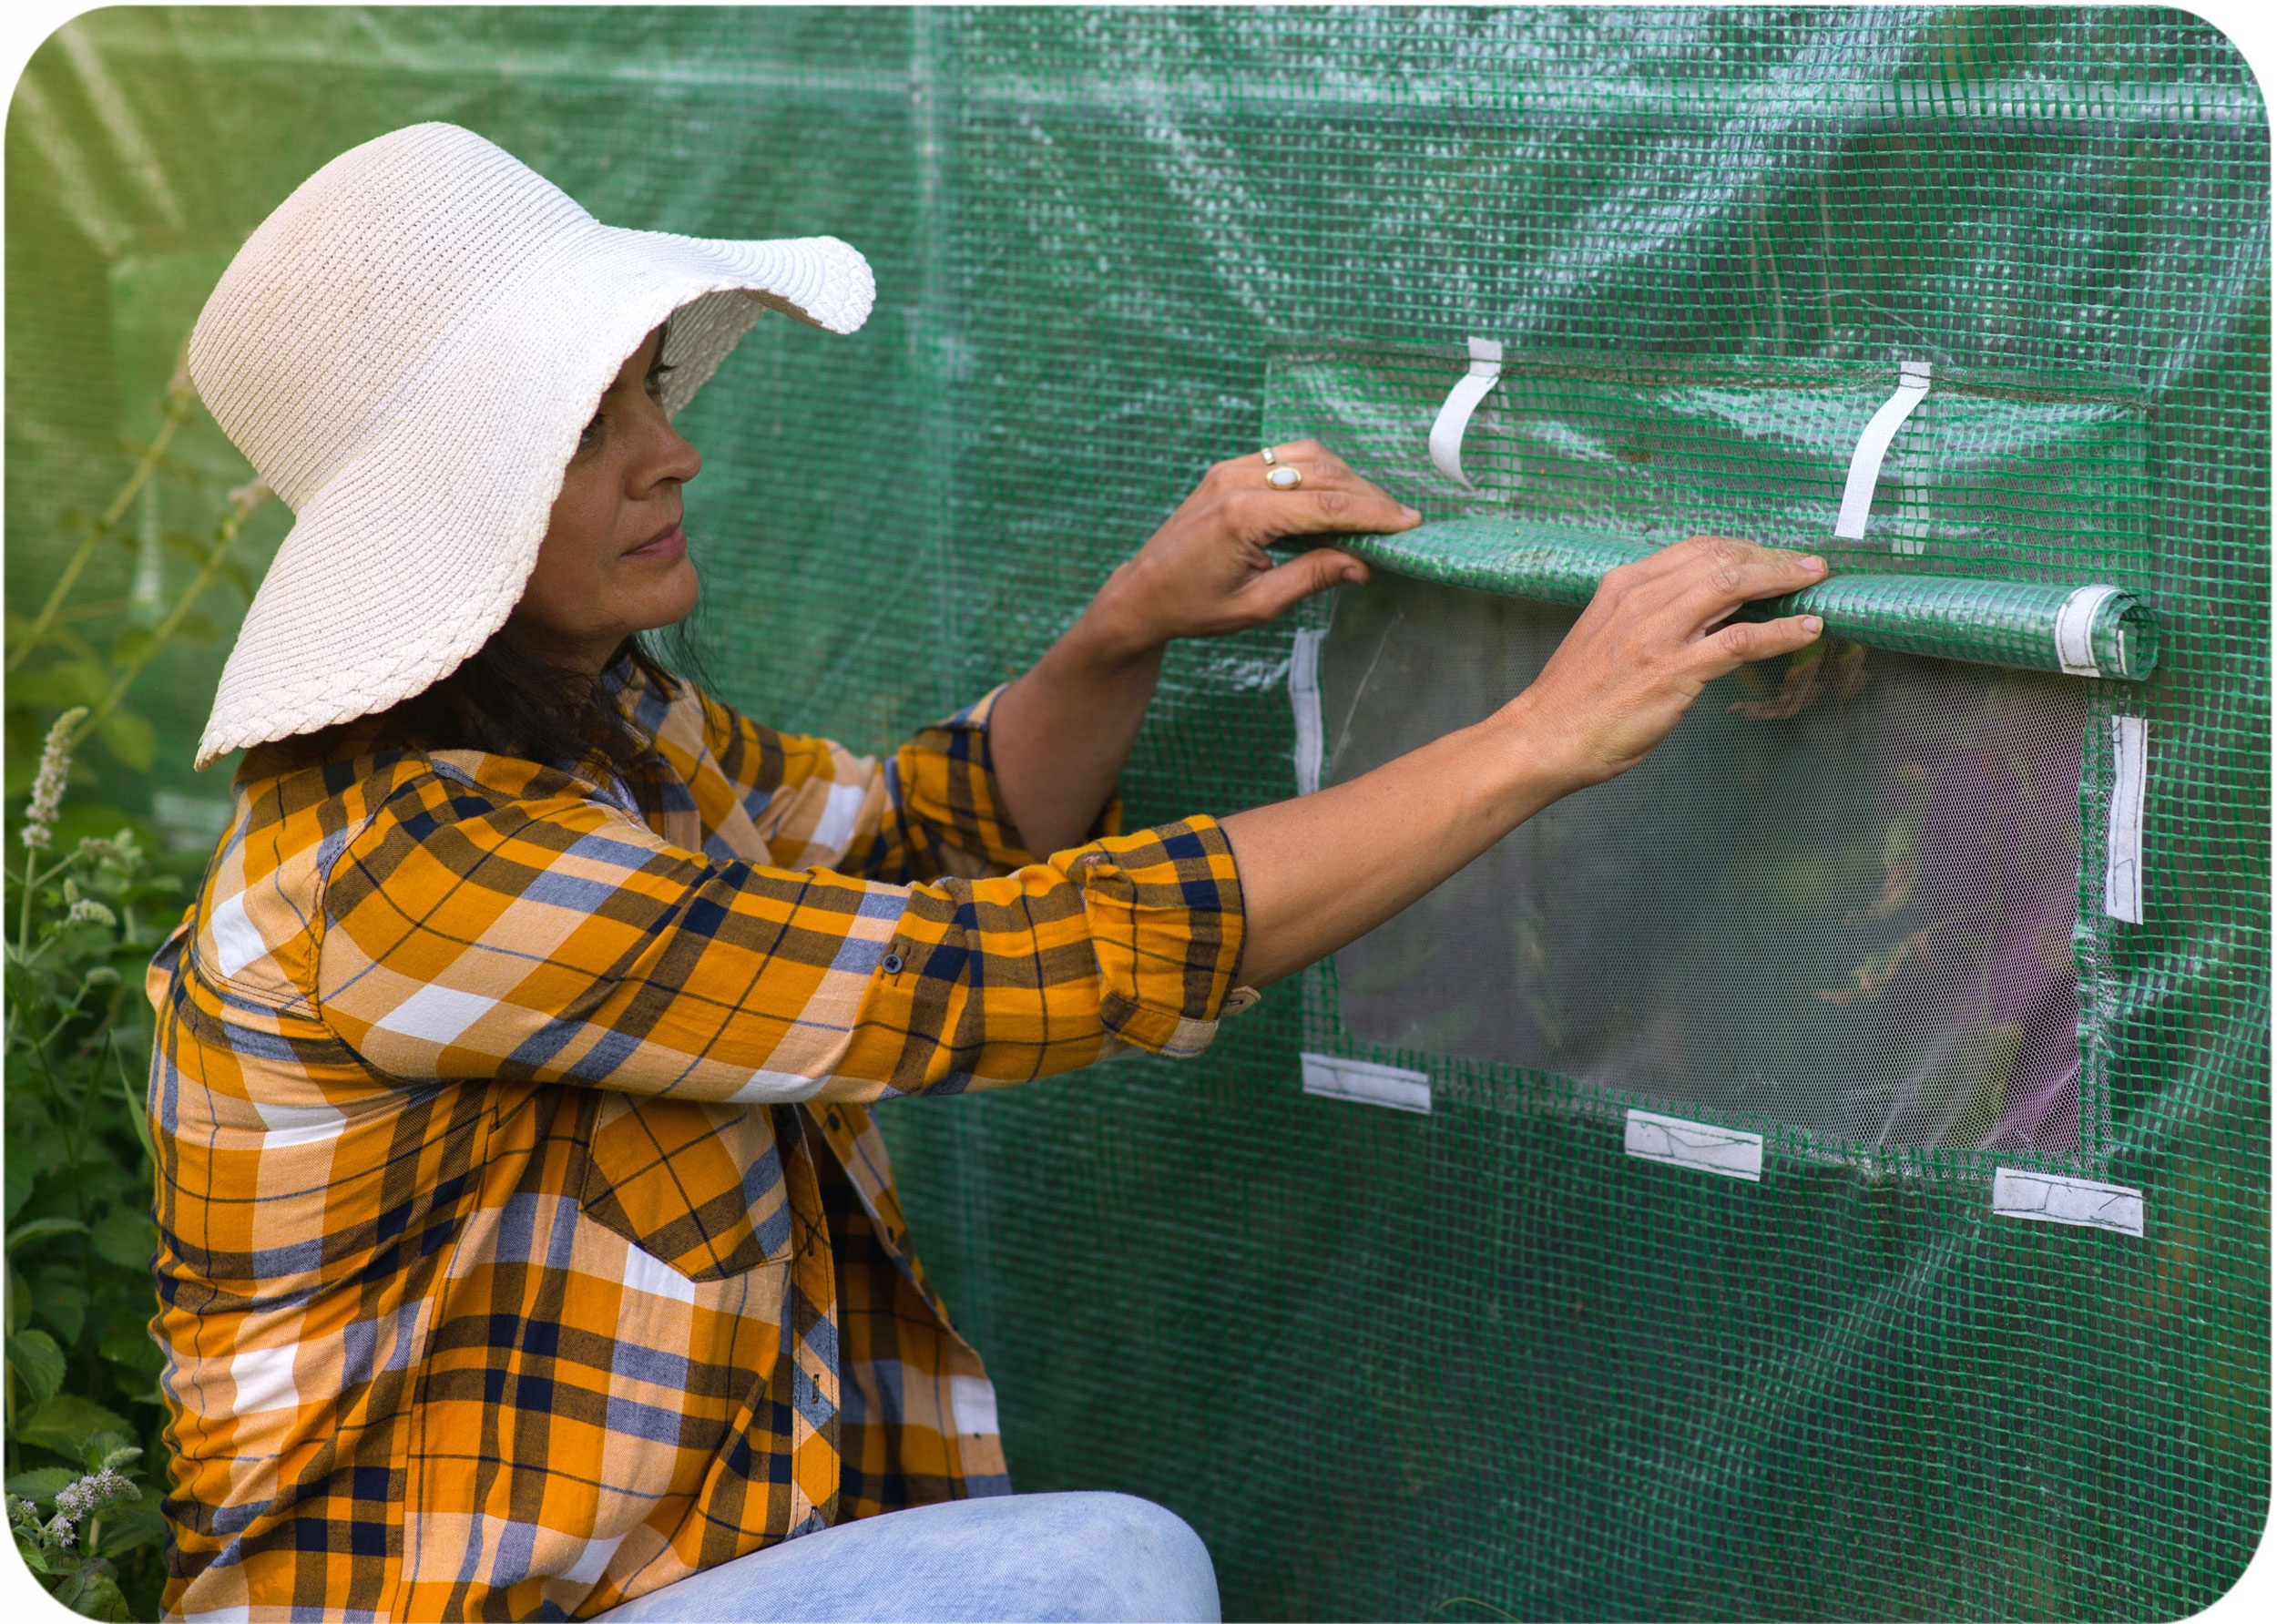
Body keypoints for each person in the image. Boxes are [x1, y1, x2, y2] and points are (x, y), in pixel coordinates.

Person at [147, 123, 1826, 1623]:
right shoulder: (407, 865)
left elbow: (907, 840)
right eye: (593, 431)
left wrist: (1126, 625)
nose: (674, 455)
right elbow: (976, 971)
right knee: (1091, 1583)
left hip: (658, 1575)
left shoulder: (605, 736)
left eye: (650, 392)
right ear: (458, 518)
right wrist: (1542, 732)